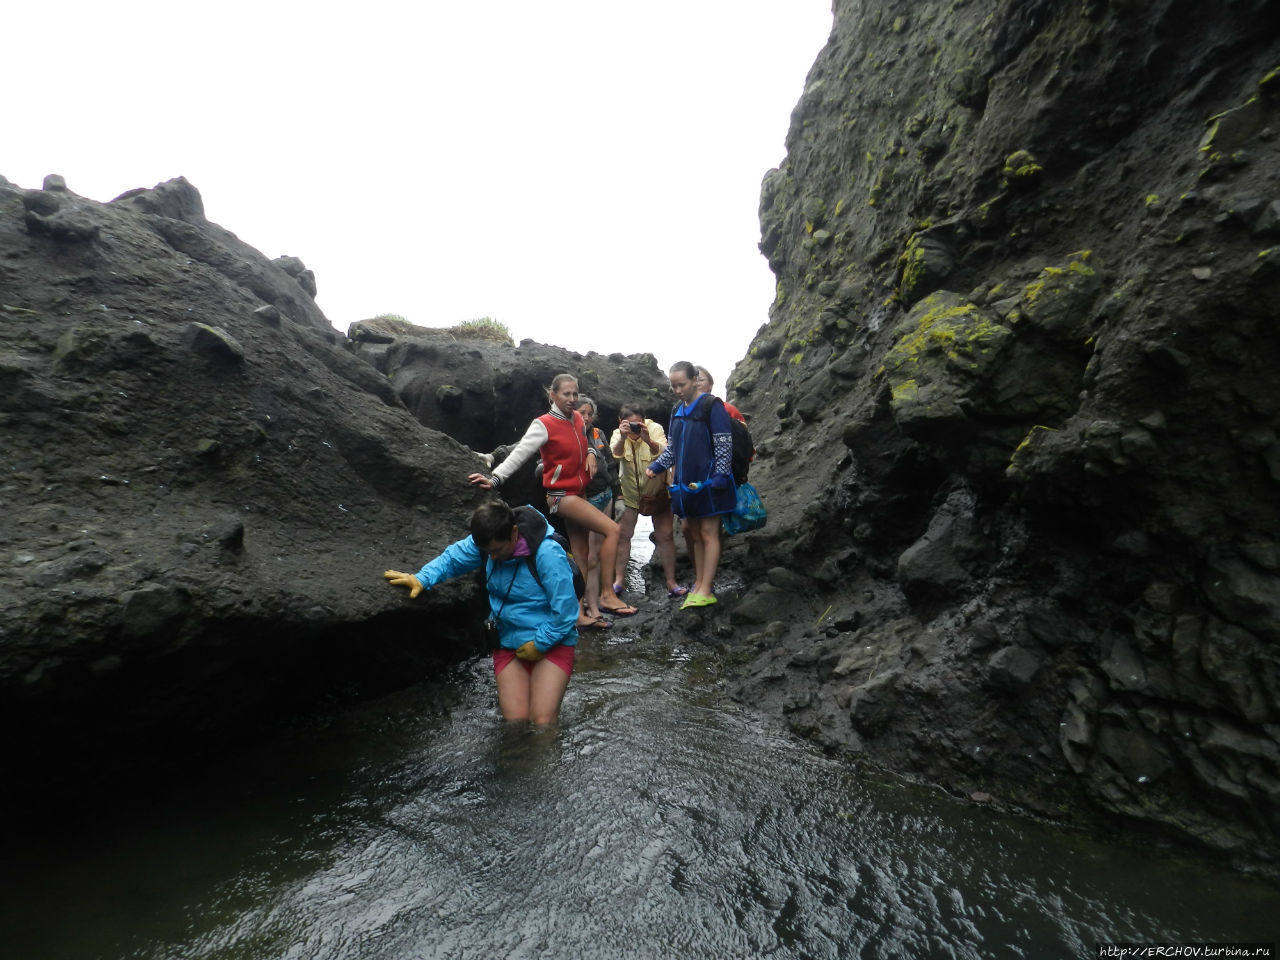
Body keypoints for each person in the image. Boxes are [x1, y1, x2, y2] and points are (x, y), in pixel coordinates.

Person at [383, 500, 578, 724]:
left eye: (496, 550)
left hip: (552, 641)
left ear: (514, 533)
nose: (491, 557)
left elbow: (565, 611)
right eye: (487, 552)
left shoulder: (547, 554)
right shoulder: (487, 543)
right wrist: (421, 578)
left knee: (542, 723)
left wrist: (540, 644)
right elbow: (453, 559)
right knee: (516, 723)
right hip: (507, 641)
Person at [468, 374, 637, 625]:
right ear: (553, 395)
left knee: (580, 555)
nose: (571, 399)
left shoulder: (579, 419)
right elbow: (521, 453)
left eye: (574, 394)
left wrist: (590, 451)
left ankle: (577, 614)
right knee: (613, 530)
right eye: (566, 394)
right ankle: (607, 595)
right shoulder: (544, 424)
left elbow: (584, 442)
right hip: (561, 496)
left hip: (579, 493)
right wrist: (495, 479)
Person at [646, 361, 736, 608]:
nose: (677, 390)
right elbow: (673, 448)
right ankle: (699, 583)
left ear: (695, 380)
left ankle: (706, 589)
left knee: (708, 533)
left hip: (710, 483)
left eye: (681, 385)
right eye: (673, 386)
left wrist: (720, 476)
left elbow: (724, 443)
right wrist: (657, 466)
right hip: (686, 486)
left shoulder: (711, 406)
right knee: (694, 533)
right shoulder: (677, 410)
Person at [610, 402, 685, 598]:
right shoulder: (619, 433)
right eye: (630, 424)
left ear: (644, 420)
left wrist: (648, 440)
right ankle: (619, 581)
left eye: (638, 423)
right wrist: (624, 436)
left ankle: (671, 582)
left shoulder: (655, 429)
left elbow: (666, 453)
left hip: (658, 492)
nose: (635, 427)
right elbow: (615, 455)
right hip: (630, 494)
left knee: (666, 536)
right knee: (624, 536)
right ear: (622, 422)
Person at [575, 396, 617, 606]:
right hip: (585, 499)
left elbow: (609, 463)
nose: (587, 417)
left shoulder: (598, 433)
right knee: (588, 557)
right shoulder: (569, 434)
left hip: (605, 494)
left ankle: (596, 601)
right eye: (582, 413)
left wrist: (618, 495)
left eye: (590, 414)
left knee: (598, 554)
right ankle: (584, 604)